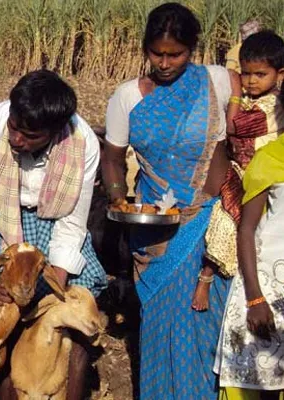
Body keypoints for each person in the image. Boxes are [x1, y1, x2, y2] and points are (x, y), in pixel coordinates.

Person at [102, 3, 236, 399]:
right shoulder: (127, 96)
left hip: (208, 221)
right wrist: (118, 200)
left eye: (174, 54)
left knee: (202, 323)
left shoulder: (218, 82)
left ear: (193, 49)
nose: (163, 63)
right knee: (160, 322)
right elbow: (112, 158)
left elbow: (236, 139)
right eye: (156, 53)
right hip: (155, 228)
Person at [0, 69, 107, 399]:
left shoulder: (84, 144)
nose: (17, 139)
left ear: (54, 131)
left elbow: (72, 226)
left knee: (74, 323)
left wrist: (54, 287)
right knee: (0, 320)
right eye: (14, 127)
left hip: (54, 226)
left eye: (30, 135)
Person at [193, 31, 284, 311]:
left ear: (279, 74)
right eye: (245, 74)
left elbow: (235, 127)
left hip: (265, 172)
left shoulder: (274, 105)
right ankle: (205, 279)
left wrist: (233, 97)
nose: (251, 81)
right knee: (224, 217)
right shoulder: (247, 99)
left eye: (260, 74)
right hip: (239, 169)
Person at [214, 131, 284, 400]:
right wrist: (255, 299)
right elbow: (246, 230)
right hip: (267, 289)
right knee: (261, 383)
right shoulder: (269, 159)